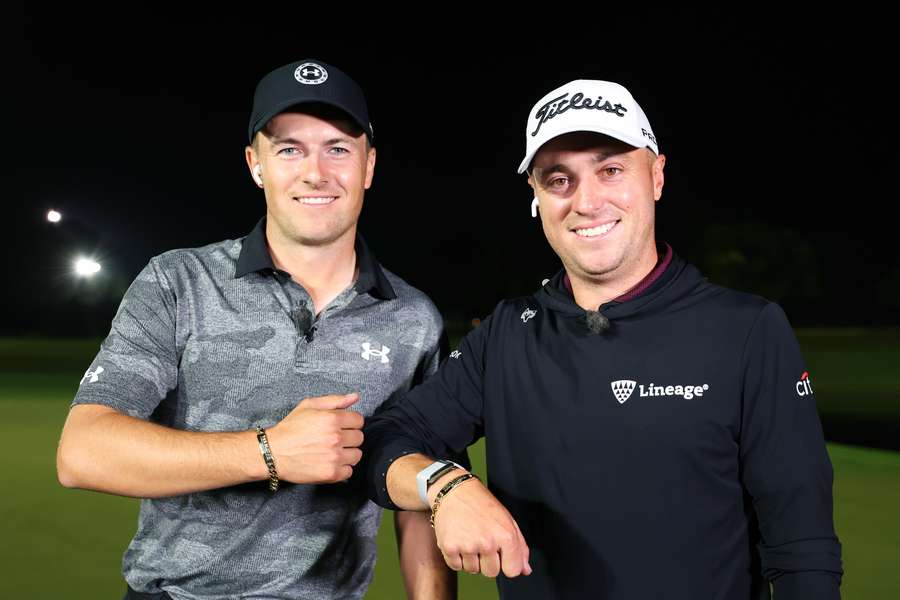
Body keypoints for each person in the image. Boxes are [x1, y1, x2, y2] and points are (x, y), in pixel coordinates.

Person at [360, 78, 843, 599]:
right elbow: (385, 442)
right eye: (559, 180)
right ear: (537, 197)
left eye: (611, 170)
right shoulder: (505, 336)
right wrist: (445, 486)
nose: (586, 202)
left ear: (656, 176)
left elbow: (803, 553)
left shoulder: (747, 329)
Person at [57, 59, 458, 600]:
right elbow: (83, 452)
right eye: (289, 148)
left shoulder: (414, 320)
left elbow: (421, 503)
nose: (315, 171)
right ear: (256, 164)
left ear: (369, 166)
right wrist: (268, 452)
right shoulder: (179, 281)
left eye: (338, 148)